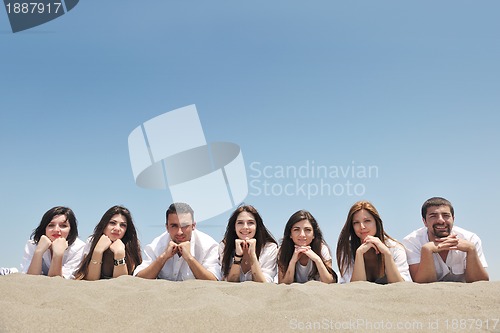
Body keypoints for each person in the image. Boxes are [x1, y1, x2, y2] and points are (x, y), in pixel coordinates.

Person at [402, 197, 489, 283]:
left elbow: (480, 283)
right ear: (424, 221)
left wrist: (471, 250)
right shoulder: (412, 242)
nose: (441, 220)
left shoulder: (470, 239)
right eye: (433, 216)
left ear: (453, 219)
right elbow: (422, 284)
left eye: (446, 215)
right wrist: (427, 251)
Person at [134, 202, 221, 281]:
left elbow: (213, 280)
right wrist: (163, 257)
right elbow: (138, 279)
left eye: (184, 226)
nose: (180, 232)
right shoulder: (157, 245)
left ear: (193, 226)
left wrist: (190, 258)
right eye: (174, 226)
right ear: (167, 227)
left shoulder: (208, 246)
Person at [336, 201, 411, 284]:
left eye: (367, 221)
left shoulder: (395, 248)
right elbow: (354, 288)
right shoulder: (347, 250)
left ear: (376, 222)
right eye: (356, 223)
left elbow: (402, 286)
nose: (362, 227)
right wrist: (359, 253)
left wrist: (387, 254)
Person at [74, 205, 142, 280]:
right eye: (112, 223)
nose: (117, 228)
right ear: (104, 225)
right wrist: (98, 251)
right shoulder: (92, 241)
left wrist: (119, 254)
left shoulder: (131, 245)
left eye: (123, 225)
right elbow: (91, 280)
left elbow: (122, 283)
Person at [20, 206, 85, 279]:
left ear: (70, 230)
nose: (56, 229)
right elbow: (30, 279)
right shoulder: (32, 245)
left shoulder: (78, 248)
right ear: (44, 228)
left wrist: (58, 254)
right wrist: (38, 252)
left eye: (63, 226)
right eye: (51, 225)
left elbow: (57, 282)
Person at [219, 205, 278, 283]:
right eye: (240, 223)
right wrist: (238, 257)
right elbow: (229, 282)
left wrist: (252, 256)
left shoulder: (269, 248)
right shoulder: (225, 246)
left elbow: (264, 283)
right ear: (234, 227)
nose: (245, 227)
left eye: (250, 223)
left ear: (257, 226)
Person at [277, 210, 337, 284]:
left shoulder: (322, 249)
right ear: (290, 234)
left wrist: (317, 260)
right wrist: (292, 262)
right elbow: (283, 284)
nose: (302, 234)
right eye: (296, 230)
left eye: (307, 230)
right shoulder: (283, 250)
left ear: (314, 235)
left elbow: (330, 282)